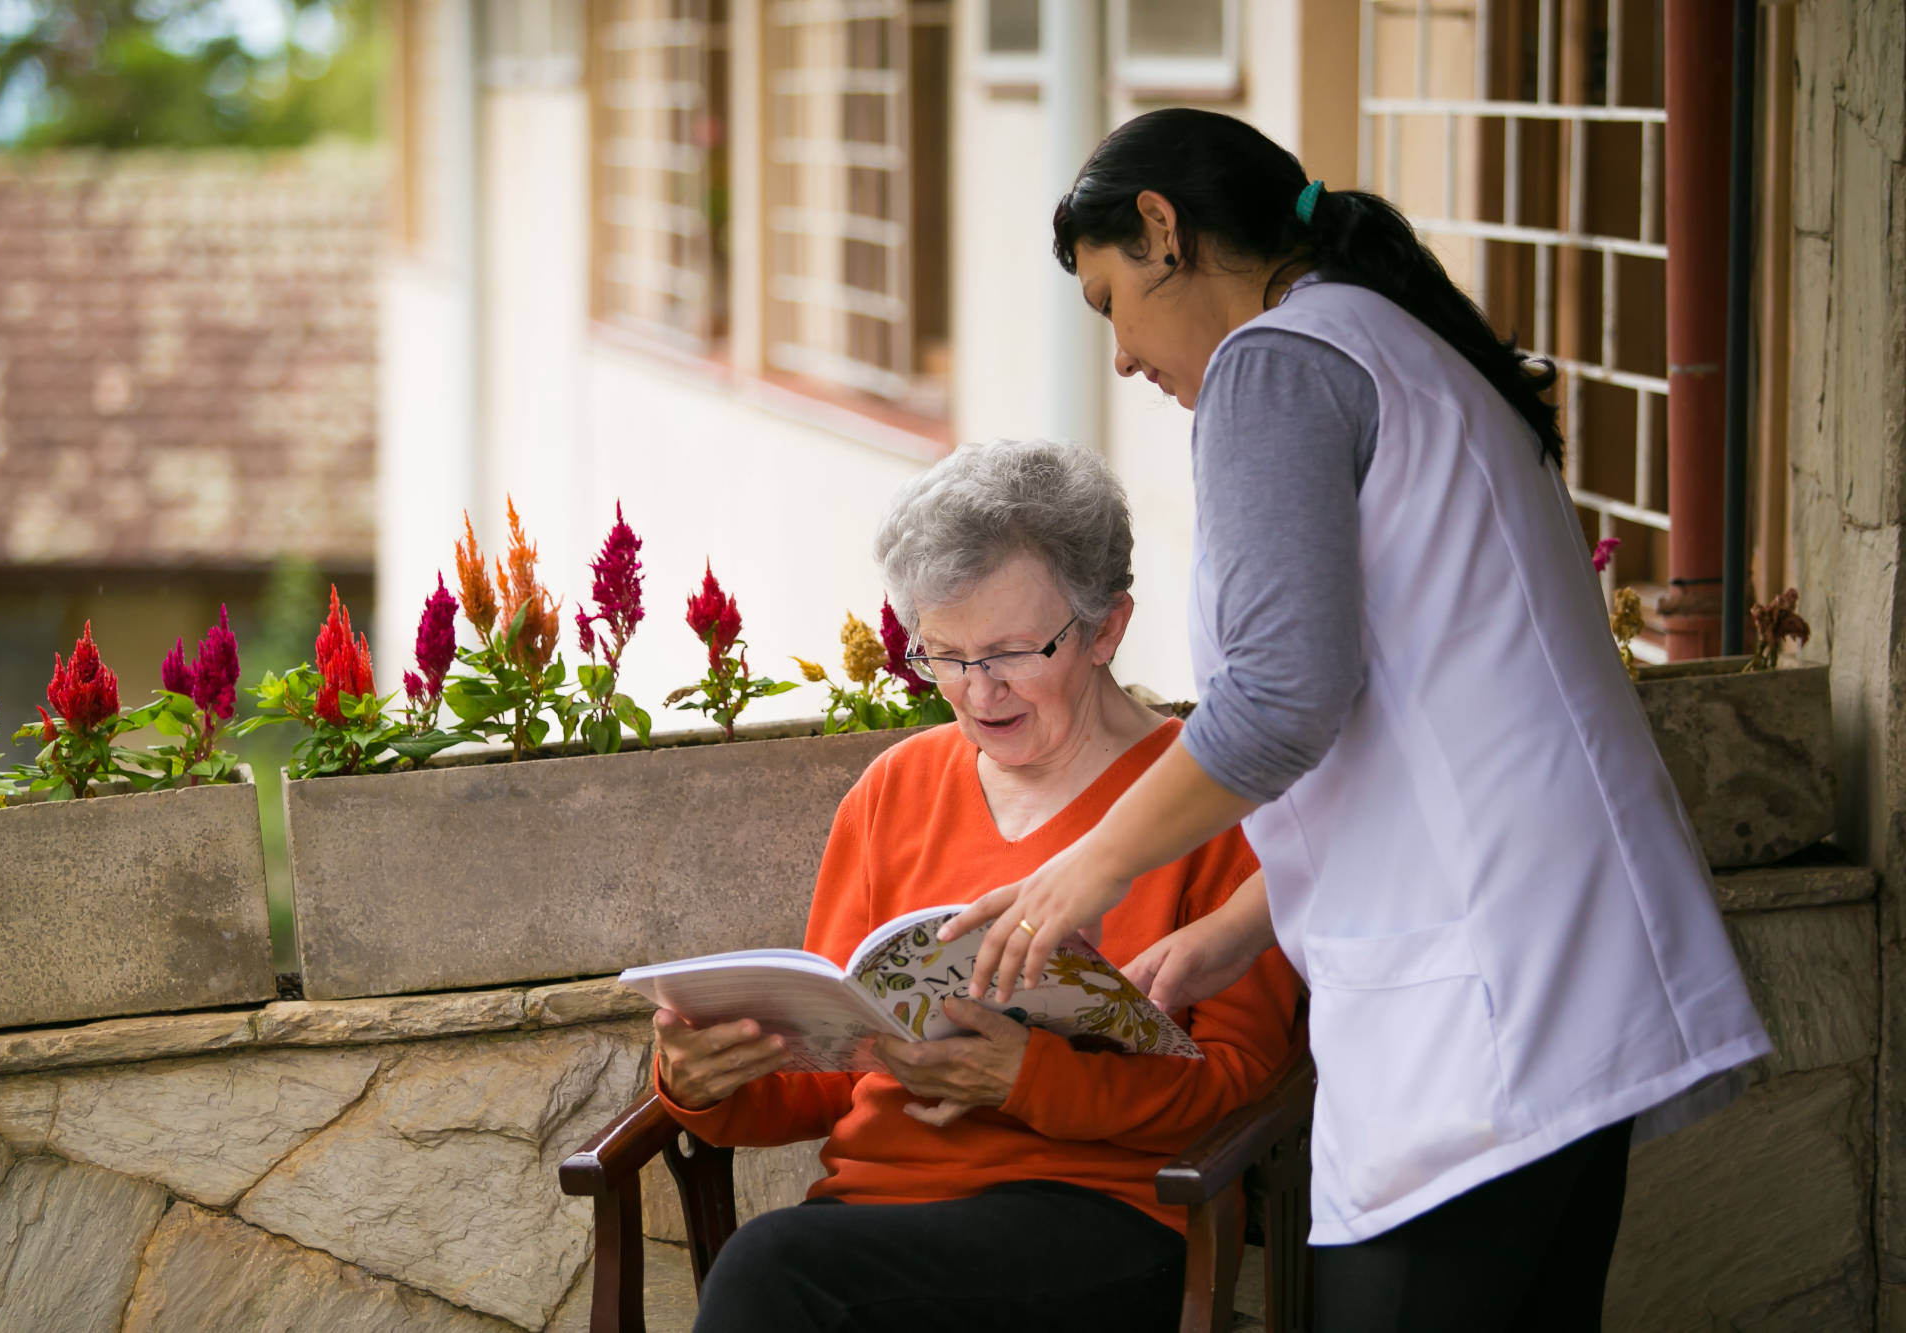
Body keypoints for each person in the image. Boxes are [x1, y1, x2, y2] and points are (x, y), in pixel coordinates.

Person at [945, 108, 1771, 1332]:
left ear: (1163, 231)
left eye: (1109, 298)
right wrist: (1233, 925)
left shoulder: (1274, 366)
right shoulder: (1393, 344)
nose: (1119, 355)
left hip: (1481, 1026)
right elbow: (1428, 716)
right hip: (1562, 983)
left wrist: (1081, 871)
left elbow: (1281, 699)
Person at [651, 438, 1304, 1332]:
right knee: (791, 1271)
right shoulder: (896, 787)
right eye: (945, 655)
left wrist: (1028, 1078)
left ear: (1106, 627)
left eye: (1007, 653)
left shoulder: (1211, 802)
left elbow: (1239, 1090)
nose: (975, 691)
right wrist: (708, 1079)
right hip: (871, 1224)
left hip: (1103, 1216)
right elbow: (836, 1069)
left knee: (772, 1270)